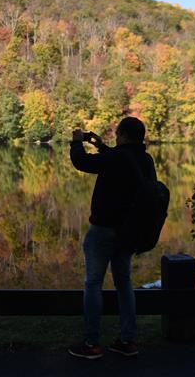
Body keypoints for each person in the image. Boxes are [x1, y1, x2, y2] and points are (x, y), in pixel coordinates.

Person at [67, 117, 156, 360]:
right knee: (124, 283)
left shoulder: (117, 158)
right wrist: (101, 145)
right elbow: (122, 160)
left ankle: (91, 344)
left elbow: (81, 162)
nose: (116, 138)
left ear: (124, 135)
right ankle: (127, 340)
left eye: (118, 134)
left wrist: (76, 143)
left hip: (103, 230)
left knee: (93, 283)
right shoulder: (145, 160)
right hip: (128, 233)